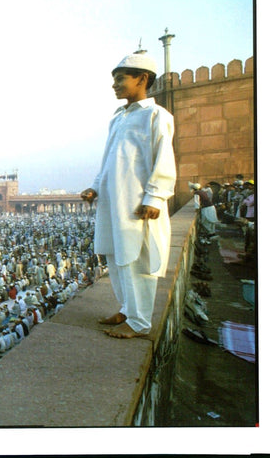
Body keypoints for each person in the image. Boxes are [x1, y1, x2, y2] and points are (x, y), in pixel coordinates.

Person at [81, 51, 176, 339]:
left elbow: (164, 159)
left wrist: (155, 198)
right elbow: (109, 159)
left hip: (136, 202)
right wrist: (96, 186)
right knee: (116, 256)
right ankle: (126, 308)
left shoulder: (157, 115)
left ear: (142, 79)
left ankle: (139, 322)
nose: (115, 85)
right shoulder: (118, 118)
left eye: (120, 78)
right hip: (113, 201)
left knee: (137, 259)